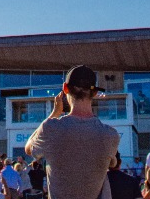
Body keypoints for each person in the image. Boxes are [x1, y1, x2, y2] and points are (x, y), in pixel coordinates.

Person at [25, 65, 120, 199]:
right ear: (94, 93)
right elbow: (112, 164)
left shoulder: (51, 128)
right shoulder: (110, 135)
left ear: (65, 89)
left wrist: (54, 114)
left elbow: (28, 149)